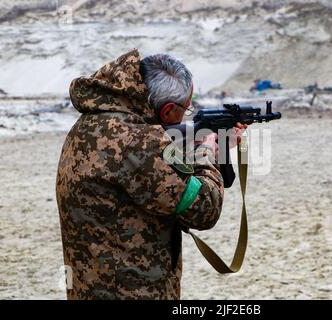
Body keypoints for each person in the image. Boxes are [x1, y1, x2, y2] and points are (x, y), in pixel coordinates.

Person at [56, 49, 246, 300]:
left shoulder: (91, 124)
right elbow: (205, 208)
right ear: (167, 111)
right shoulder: (139, 142)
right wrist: (207, 150)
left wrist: (197, 147)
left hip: (91, 287)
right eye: (185, 110)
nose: (185, 117)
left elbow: (148, 176)